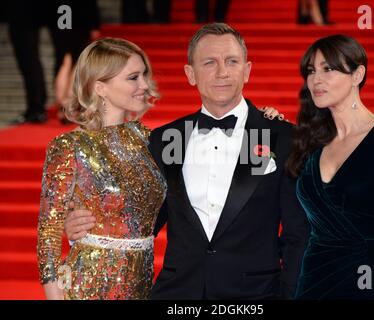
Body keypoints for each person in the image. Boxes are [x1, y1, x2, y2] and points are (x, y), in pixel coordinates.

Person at [65, 23, 310, 299]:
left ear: (247, 70)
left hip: (255, 296)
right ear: (190, 74)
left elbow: (297, 235)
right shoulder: (165, 139)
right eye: (209, 63)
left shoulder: (281, 137)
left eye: (232, 61)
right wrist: (84, 227)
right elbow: (143, 223)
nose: (222, 72)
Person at [286, 34, 374, 299]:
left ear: (358, 74)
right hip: (313, 283)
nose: (316, 79)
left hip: (371, 283)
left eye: (328, 69)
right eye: (311, 71)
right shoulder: (312, 143)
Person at [37, 38, 167, 300]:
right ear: (100, 87)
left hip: (142, 285)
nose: (144, 85)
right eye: (133, 77)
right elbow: (48, 232)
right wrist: (55, 295)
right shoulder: (70, 145)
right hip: (87, 285)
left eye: (144, 75)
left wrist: (266, 121)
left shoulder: (153, 141)